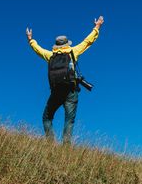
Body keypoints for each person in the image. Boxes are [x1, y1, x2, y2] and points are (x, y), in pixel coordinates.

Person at [26, 16, 104, 144]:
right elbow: (87, 41)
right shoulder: (73, 52)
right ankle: (66, 148)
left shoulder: (50, 55)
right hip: (71, 91)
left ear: (56, 46)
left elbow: (38, 50)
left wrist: (30, 40)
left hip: (56, 92)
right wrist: (97, 26)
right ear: (67, 44)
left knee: (47, 118)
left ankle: (51, 144)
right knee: (69, 120)